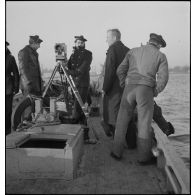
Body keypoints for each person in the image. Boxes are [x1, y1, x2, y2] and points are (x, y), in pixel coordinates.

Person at [111, 33, 169, 165]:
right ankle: (143, 158)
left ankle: (116, 152)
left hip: (129, 89)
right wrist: (154, 91)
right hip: (145, 90)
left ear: (149, 41)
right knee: (144, 125)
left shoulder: (133, 51)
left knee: (121, 122)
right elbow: (163, 79)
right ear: (159, 45)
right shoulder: (160, 56)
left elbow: (120, 70)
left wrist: (123, 84)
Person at [67, 35, 95, 143]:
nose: (80, 44)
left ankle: (84, 136)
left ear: (84, 43)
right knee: (76, 107)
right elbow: (68, 67)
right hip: (74, 84)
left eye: (81, 42)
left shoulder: (88, 54)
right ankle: (79, 134)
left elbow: (82, 69)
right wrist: (63, 67)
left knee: (80, 109)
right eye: (78, 42)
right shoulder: (73, 54)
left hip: (82, 84)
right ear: (75, 43)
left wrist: (71, 72)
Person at [101, 29, 129, 136]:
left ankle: (116, 139)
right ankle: (131, 142)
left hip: (114, 89)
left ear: (114, 38)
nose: (106, 40)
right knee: (126, 113)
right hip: (126, 88)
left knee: (112, 115)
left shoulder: (112, 49)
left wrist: (105, 88)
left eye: (107, 37)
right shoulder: (128, 50)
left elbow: (110, 71)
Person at [6, 41, 19, 135]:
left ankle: (7, 131)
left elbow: (15, 73)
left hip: (7, 89)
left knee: (7, 111)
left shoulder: (10, 58)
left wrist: (16, 87)